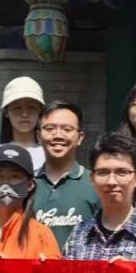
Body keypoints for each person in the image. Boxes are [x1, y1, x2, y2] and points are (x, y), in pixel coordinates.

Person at [64, 132, 136, 262]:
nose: (111, 181)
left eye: (121, 172)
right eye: (103, 173)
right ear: (92, 179)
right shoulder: (79, 233)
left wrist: (135, 271)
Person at [32, 101, 101, 249]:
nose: (58, 135)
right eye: (50, 129)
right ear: (38, 135)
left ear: (80, 137)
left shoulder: (96, 184)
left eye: (67, 129)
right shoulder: (27, 185)